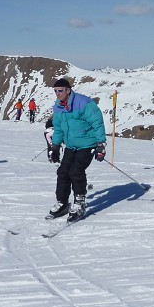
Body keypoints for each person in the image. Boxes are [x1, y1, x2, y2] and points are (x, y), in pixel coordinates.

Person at [47, 78, 106, 222]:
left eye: (60, 90)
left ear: (68, 90)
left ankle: (79, 202)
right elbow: (59, 128)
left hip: (87, 144)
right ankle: (62, 203)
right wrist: (55, 146)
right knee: (63, 171)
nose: (57, 93)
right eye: (55, 91)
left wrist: (100, 144)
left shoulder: (83, 103)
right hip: (71, 145)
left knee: (76, 171)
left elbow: (97, 123)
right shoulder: (58, 106)